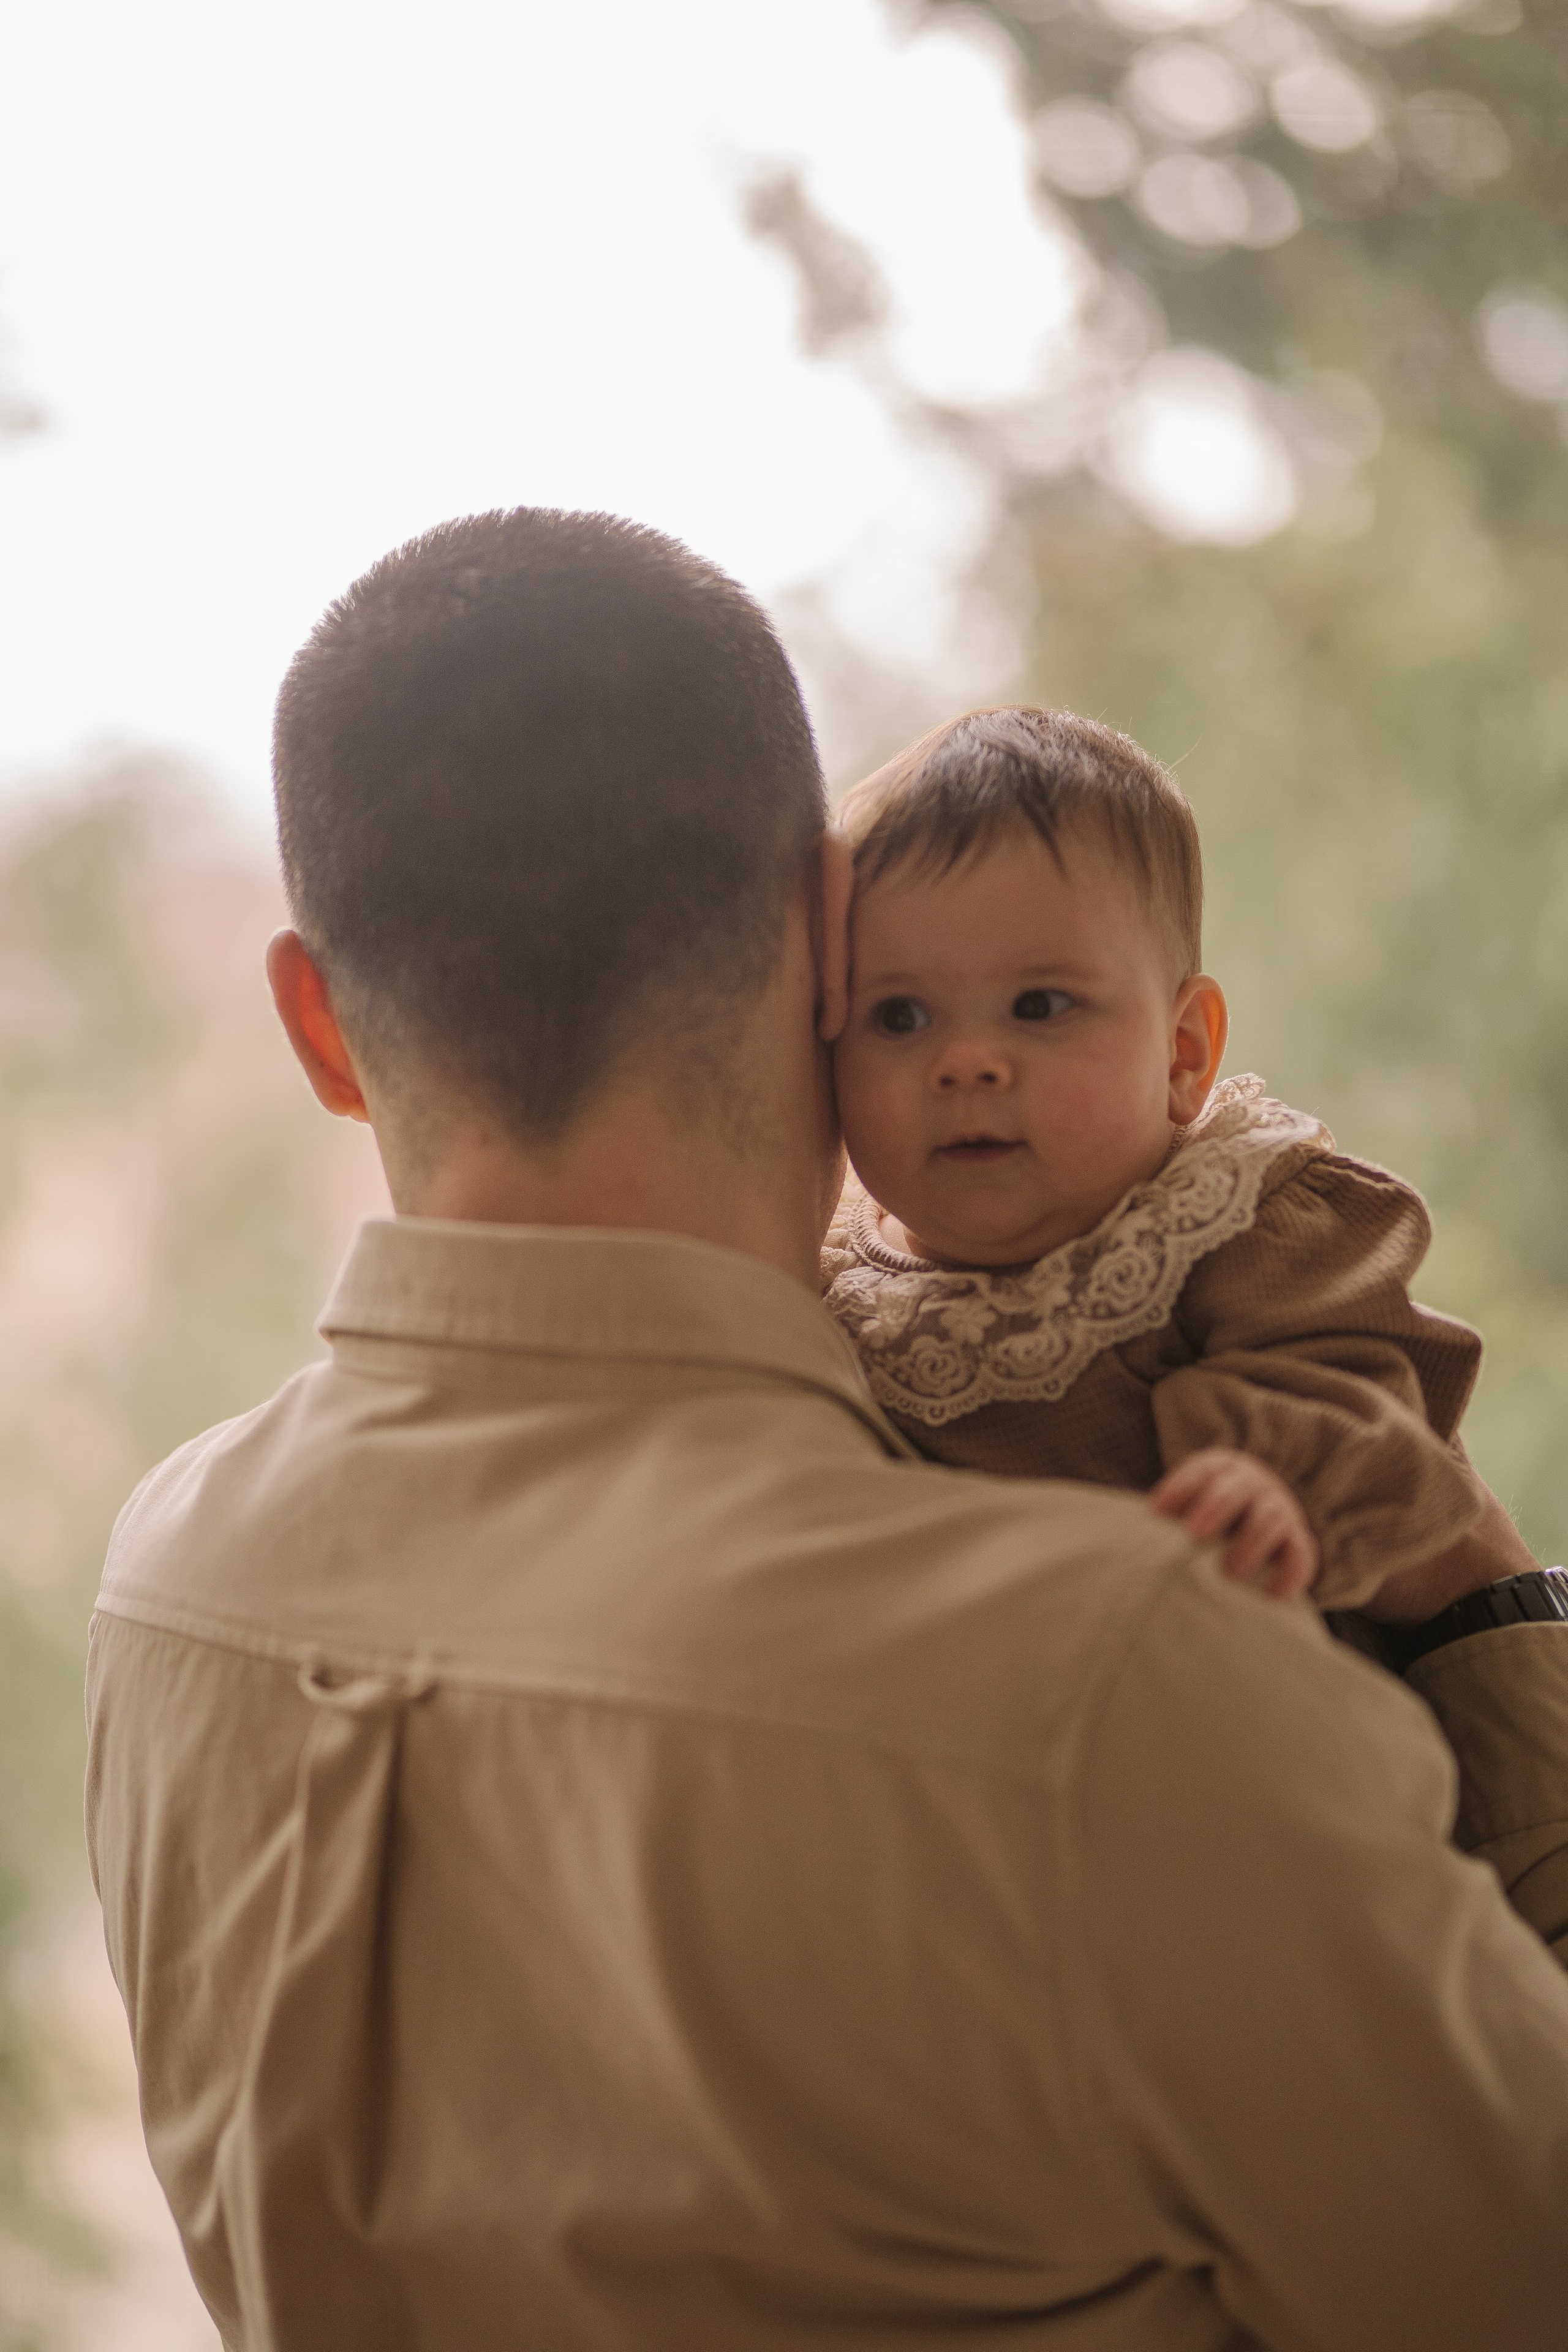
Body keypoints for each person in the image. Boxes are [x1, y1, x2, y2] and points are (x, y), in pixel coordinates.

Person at [86, 508, 1568, 2352]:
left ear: (317, 1024)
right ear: (818, 943)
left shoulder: (161, 1586)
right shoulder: (1112, 1682)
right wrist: (1500, 1617)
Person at [823, 703, 1528, 1610]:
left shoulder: (1229, 1221)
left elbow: (1361, 1388)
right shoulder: (827, 1287)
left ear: (1184, 1053)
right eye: (900, 1017)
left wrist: (1282, 1487)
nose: (966, 1063)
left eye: (1039, 1006)